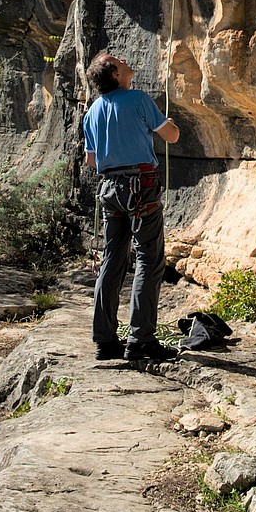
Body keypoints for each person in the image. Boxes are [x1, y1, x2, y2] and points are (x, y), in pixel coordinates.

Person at [83, 51, 180, 363]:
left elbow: (91, 160)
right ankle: (140, 340)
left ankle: (104, 340)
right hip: (140, 185)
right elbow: (172, 136)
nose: (125, 59)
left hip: (110, 189)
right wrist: (170, 124)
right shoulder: (137, 99)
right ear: (114, 74)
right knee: (149, 260)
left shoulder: (93, 111)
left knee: (112, 260)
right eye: (118, 60)